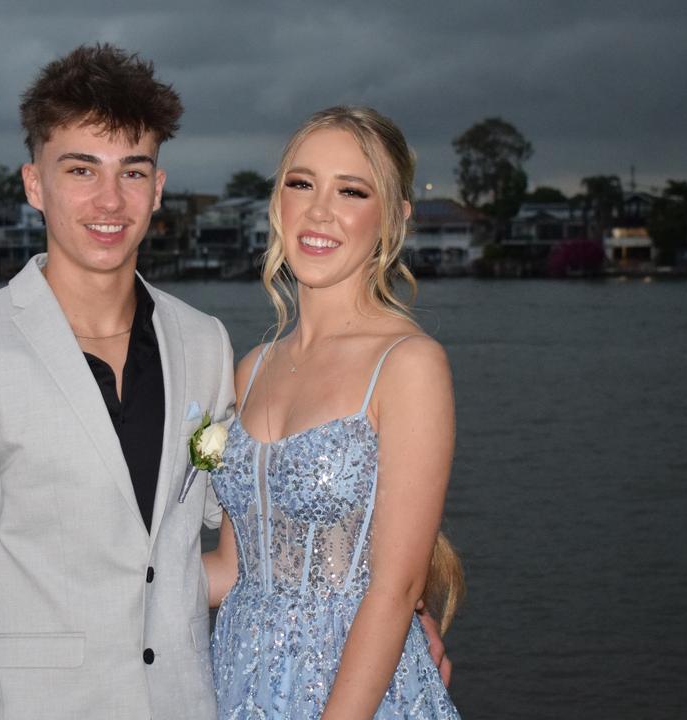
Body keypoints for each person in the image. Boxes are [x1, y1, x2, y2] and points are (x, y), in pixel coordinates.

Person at [0, 45, 236, 719]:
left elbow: (234, 517)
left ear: (158, 189)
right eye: (81, 169)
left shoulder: (206, 343)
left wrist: (399, 601)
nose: (110, 200)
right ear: (34, 184)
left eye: (132, 172)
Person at [202, 106, 463, 718]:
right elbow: (230, 571)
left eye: (351, 190)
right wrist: (109, 574)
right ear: (278, 202)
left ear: (393, 217)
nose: (319, 211)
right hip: (235, 682)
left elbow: (396, 590)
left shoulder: (408, 365)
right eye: (301, 184)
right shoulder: (251, 368)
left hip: (354, 693)